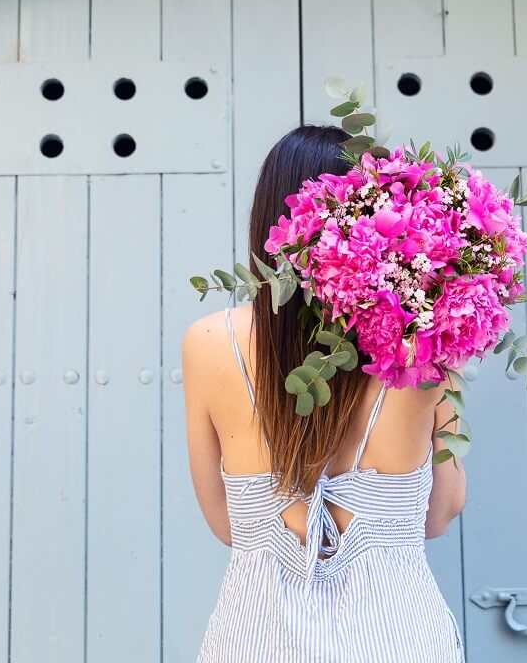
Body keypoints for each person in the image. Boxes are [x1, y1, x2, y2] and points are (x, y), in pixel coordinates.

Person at [182, 124, 467, 662]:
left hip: (258, 638)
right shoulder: (422, 344)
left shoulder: (209, 342)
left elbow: (227, 525)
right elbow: (440, 513)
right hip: (399, 638)